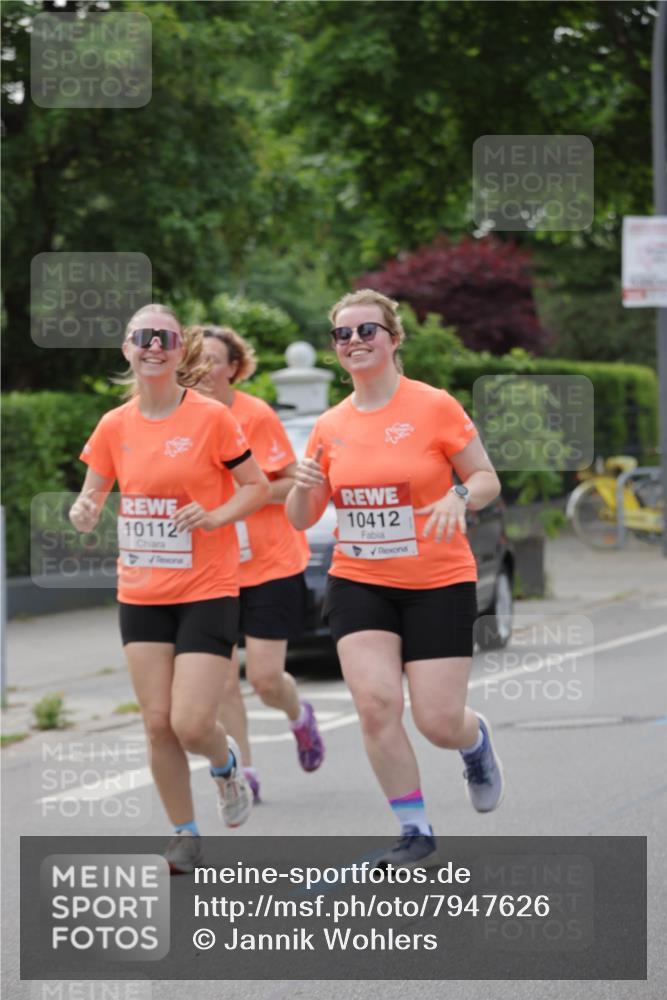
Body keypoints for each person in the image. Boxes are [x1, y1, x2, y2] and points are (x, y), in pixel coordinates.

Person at [286, 289, 505, 868]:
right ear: (335, 349)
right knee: (377, 704)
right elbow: (303, 518)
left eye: (367, 331)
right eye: (343, 334)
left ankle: (474, 741)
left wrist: (459, 497)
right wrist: (303, 485)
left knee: (436, 721)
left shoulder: (433, 406)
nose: (354, 341)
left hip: (437, 578)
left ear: (393, 338)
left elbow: (485, 477)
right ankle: (414, 830)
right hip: (359, 580)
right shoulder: (330, 427)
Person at [69, 304, 270, 874]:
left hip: (207, 586)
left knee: (190, 723)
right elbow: (92, 498)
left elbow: (255, 488)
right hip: (141, 591)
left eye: (165, 337)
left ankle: (225, 764)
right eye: (142, 337)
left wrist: (214, 515)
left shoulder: (210, 418)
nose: (153, 346)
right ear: (127, 349)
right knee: (156, 722)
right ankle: (184, 833)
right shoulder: (114, 424)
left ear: (180, 350)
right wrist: (85, 512)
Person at [193, 325, 324, 802]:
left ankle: (299, 716)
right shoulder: (181, 420)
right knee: (223, 679)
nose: (202, 368)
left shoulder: (256, 415)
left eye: (212, 358)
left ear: (233, 367)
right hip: (212, 568)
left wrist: (244, 496)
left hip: (269, 563)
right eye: (195, 358)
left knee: (266, 680)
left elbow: (292, 483)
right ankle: (244, 774)